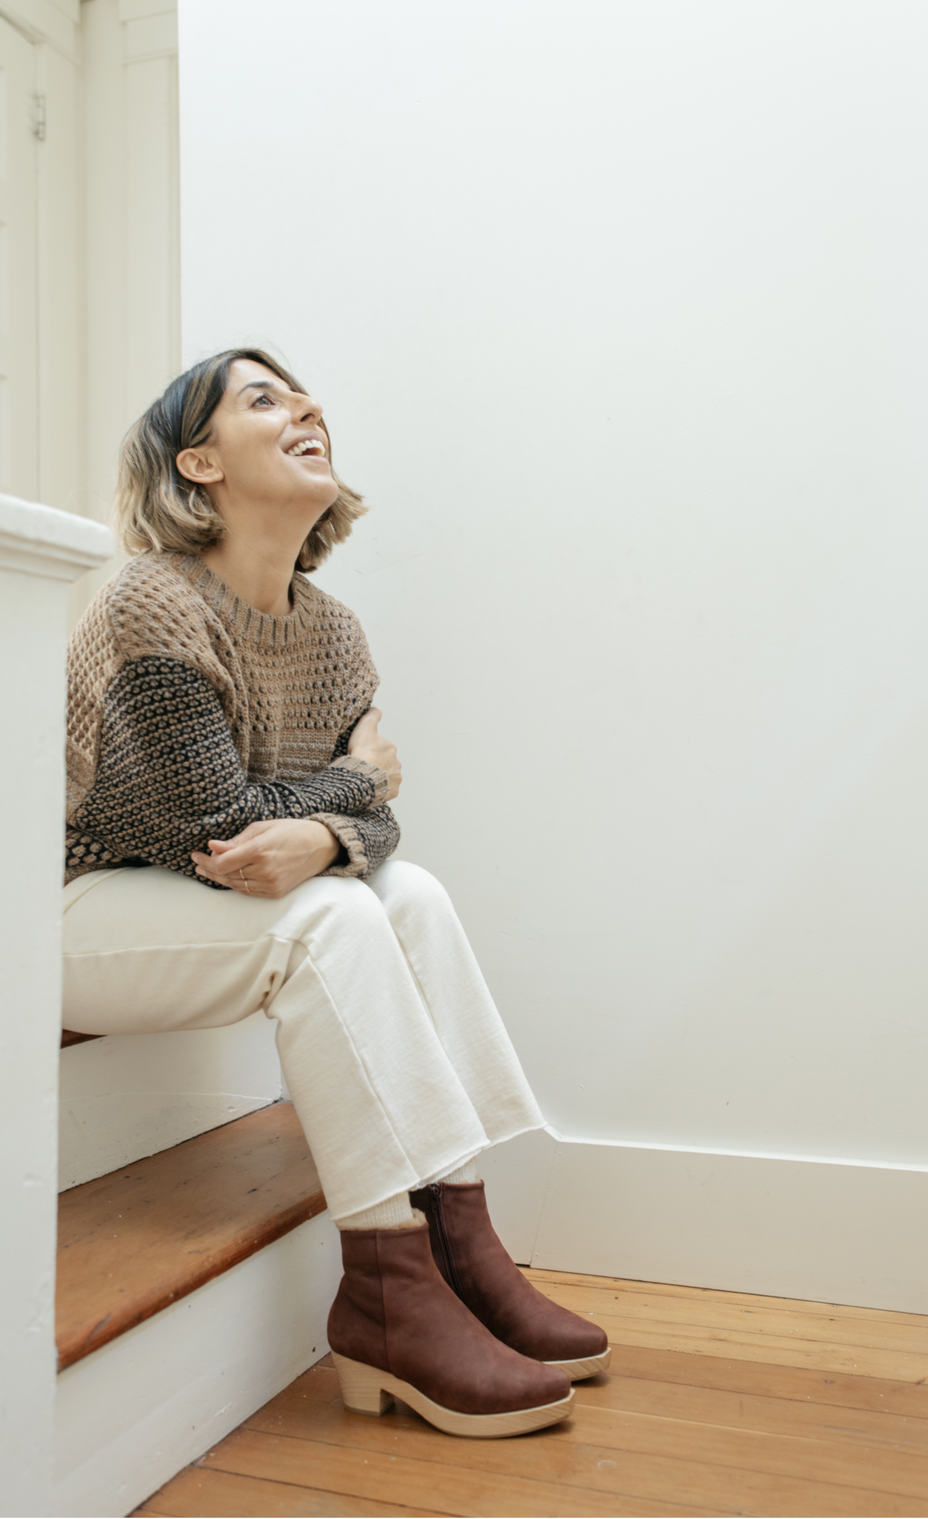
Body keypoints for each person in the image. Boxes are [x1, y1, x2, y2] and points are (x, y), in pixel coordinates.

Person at [60, 349, 606, 1440]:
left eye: (304, 393)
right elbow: (208, 826)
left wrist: (326, 824)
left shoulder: (334, 630)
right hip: (85, 915)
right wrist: (357, 784)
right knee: (333, 912)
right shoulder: (150, 602)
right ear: (198, 462)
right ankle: (385, 1288)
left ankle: (458, 1239)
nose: (305, 405)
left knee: (417, 896)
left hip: (200, 910)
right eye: (262, 398)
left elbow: (366, 836)